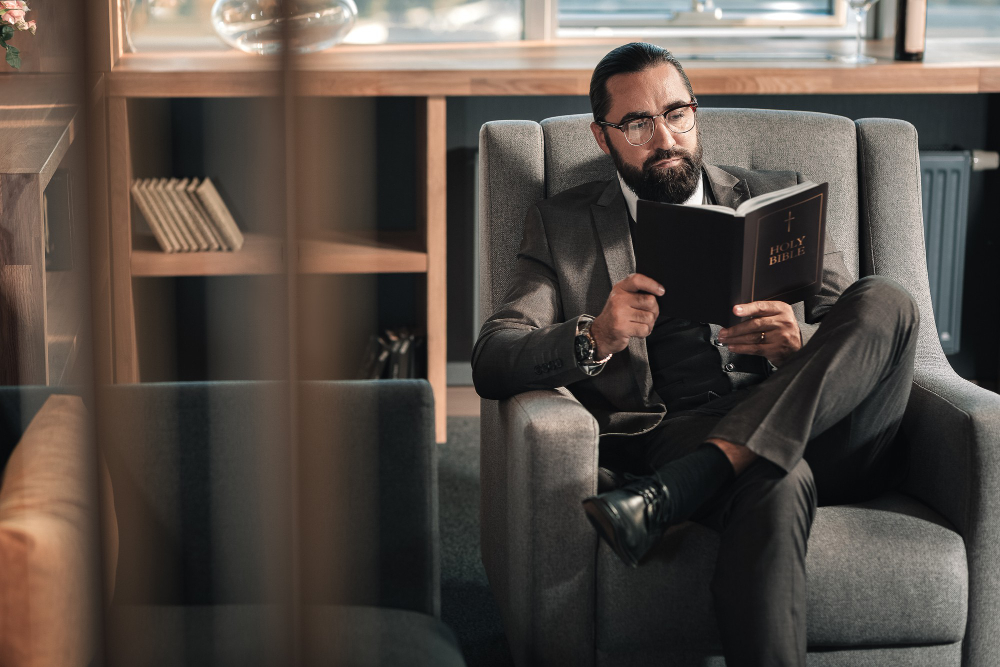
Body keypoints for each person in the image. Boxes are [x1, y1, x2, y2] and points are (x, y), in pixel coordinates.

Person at [471, 42, 918, 667]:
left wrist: (798, 346)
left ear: (695, 113)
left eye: (677, 113)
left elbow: (854, 320)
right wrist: (596, 334)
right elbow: (493, 356)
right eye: (637, 123)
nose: (665, 137)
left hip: (835, 430)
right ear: (604, 138)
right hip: (677, 430)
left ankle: (682, 489)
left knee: (888, 299)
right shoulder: (563, 225)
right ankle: (711, 467)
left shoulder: (774, 197)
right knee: (776, 476)